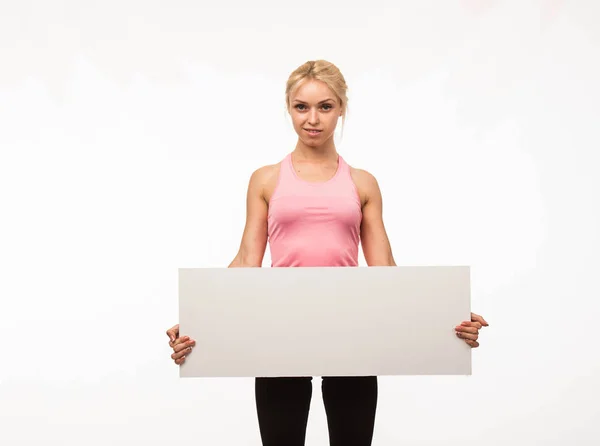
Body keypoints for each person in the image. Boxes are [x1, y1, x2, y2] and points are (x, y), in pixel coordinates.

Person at [165, 60, 489, 446]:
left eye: (325, 106)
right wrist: (198, 318)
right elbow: (247, 261)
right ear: (289, 108)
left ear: (341, 108)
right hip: (279, 328)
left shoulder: (363, 182)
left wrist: (445, 316)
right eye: (302, 107)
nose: (312, 119)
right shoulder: (265, 179)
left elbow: (385, 269)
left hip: (351, 330)